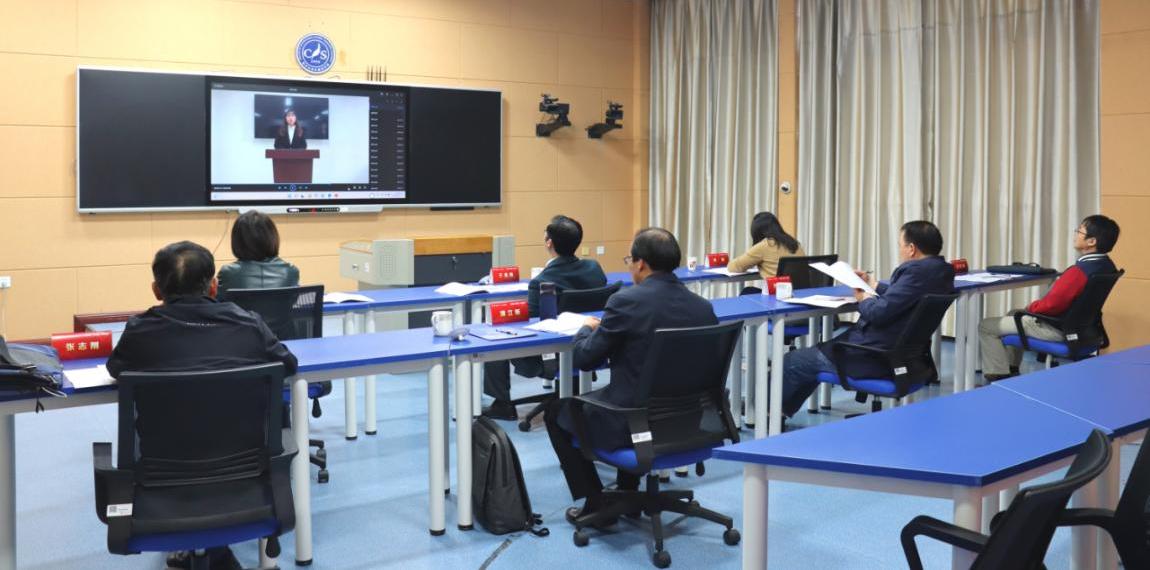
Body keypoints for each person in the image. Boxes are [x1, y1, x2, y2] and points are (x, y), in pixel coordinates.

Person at [106, 241, 297, 570]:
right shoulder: (249, 325)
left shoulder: (139, 333)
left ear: (156, 290)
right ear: (213, 286)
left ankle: (198, 550)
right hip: (245, 476)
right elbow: (288, 364)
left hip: (161, 480)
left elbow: (115, 368)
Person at [544, 228, 718, 522]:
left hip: (635, 424)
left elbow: (585, 359)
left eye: (629, 260)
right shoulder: (703, 307)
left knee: (557, 412)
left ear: (641, 264)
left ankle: (596, 501)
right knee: (634, 395)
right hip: (688, 422)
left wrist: (585, 330)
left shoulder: (626, 302)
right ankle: (628, 492)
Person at [780, 221, 955, 418]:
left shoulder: (914, 271)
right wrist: (873, 284)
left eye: (900, 245)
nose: (900, 250)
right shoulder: (942, 272)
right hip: (908, 358)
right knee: (810, 359)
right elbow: (906, 296)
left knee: (794, 361)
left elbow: (877, 314)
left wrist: (863, 298)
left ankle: (773, 417)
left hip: (873, 356)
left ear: (911, 249)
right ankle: (782, 413)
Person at [482, 215, 607, 420]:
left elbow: (532, 323)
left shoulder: (542, 280)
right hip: (588, 349)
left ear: (549, 243)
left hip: (548, 356)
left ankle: (502, 405)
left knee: (493, 338)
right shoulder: (594, 268)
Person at [978, 215, 1120, 381]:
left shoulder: (1079, 271)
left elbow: (1052, 305)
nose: (1075, 234)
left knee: (986, 326)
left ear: (1091, 241)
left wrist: (1031, 307)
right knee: (1013, 313)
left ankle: (998, 377)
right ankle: (1011, 369)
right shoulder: (1107, 266)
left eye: (1079, 231)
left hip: (1055, 329)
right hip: (1082, 328)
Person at [217, 210, 300, 295]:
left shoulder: (228, 273)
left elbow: (219, 301)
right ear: (272, 237)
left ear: (237, 241)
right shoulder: (291, 271)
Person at [727, 211, 805, 281]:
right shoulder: (794, 243)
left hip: (777, 290)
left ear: (756, 232)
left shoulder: (764, 245)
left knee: (747, 290)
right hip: (800, 290)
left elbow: (733, 267)